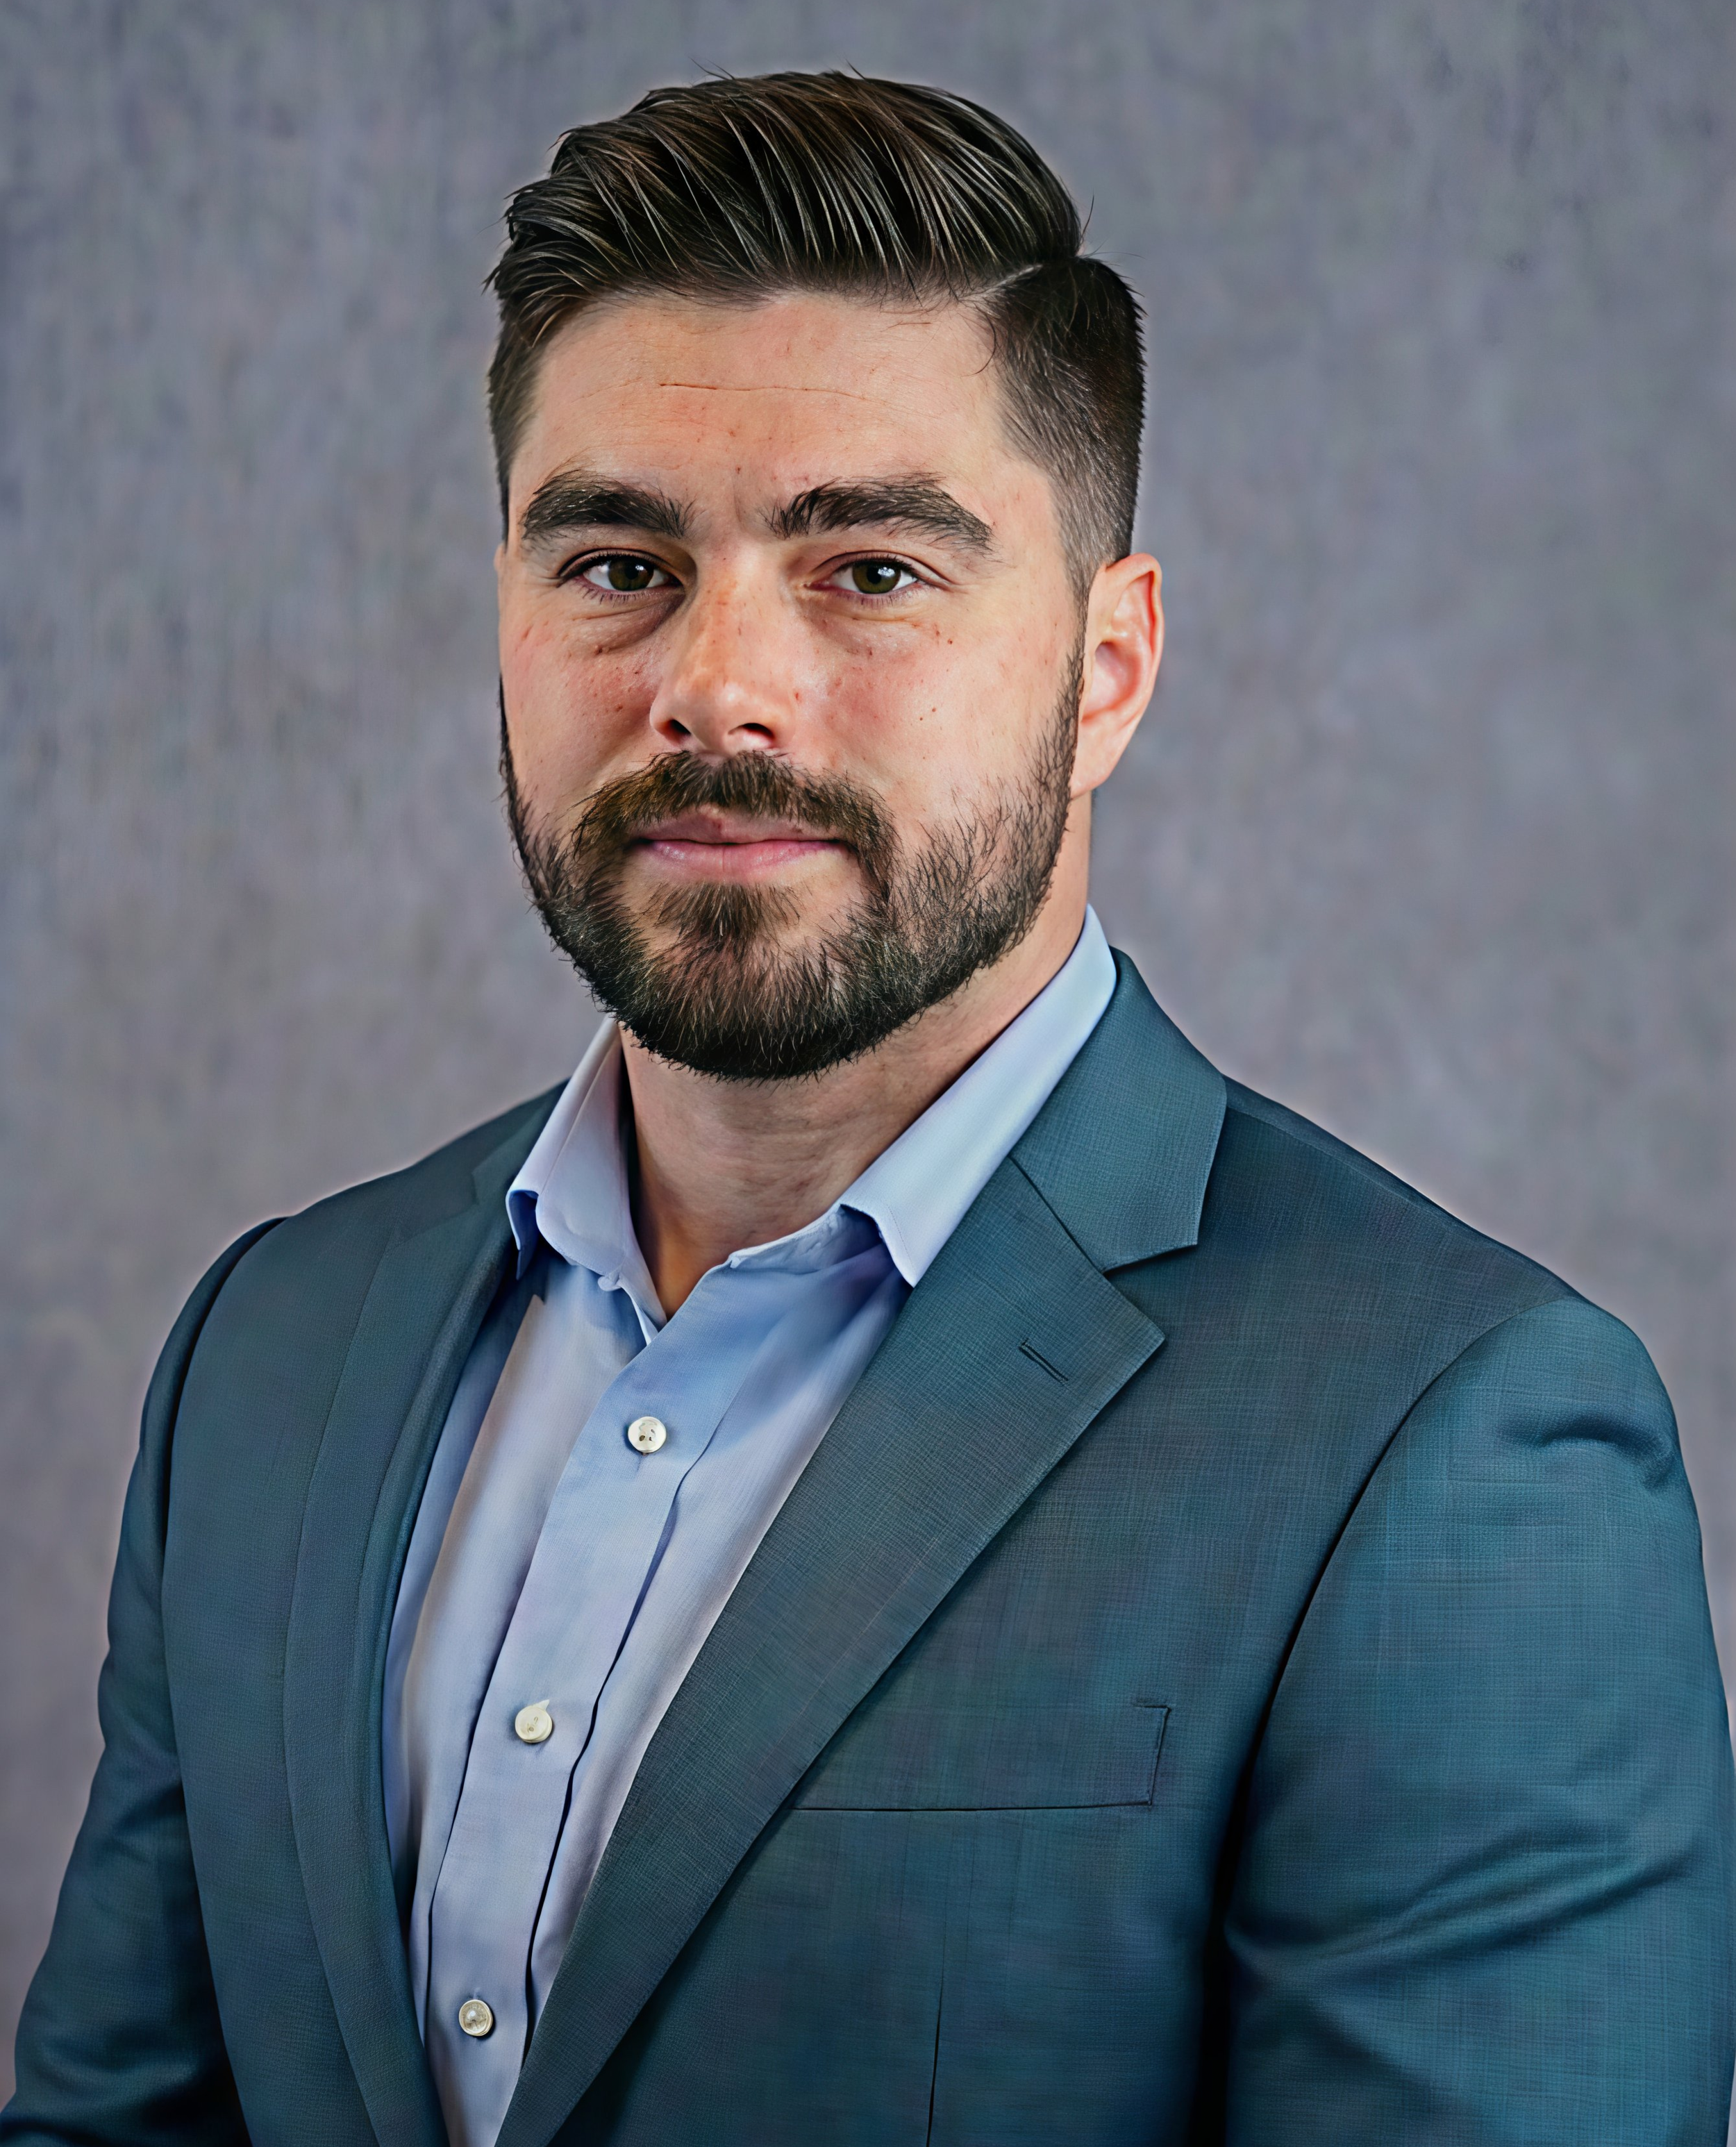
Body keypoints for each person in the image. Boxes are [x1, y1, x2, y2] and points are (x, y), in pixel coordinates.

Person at [4, 69, 1731, 2147]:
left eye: (873, 570)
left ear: (1105, 668)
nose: (715, 684)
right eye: (617, 560)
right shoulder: (270, 1354)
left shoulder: (1451, 1448)